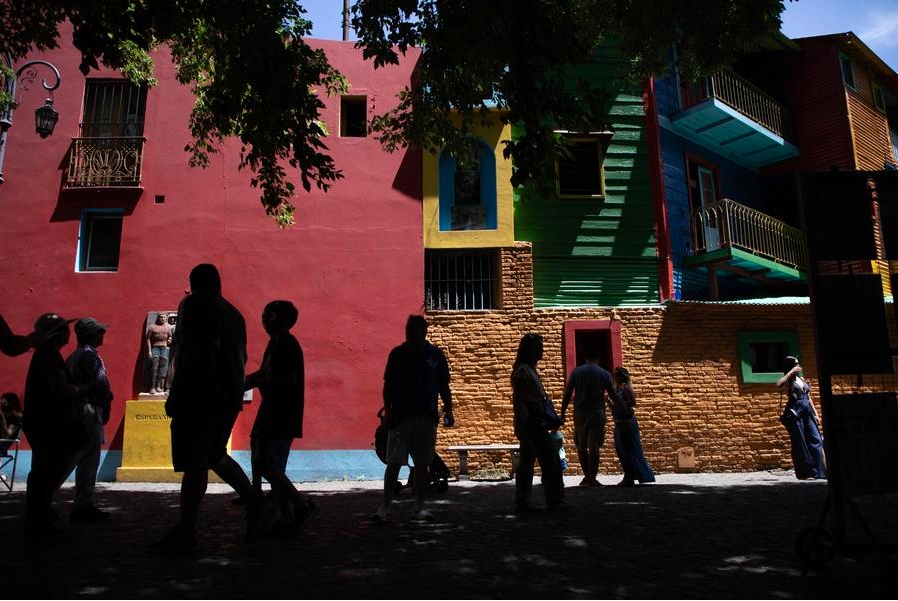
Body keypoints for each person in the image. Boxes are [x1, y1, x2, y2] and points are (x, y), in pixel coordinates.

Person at [149, 263, 263, 551]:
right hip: (228, 395)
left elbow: (192, 351)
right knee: (215, 455)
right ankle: (256, 505)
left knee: (195, 462)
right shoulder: (234, 314)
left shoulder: (194, 304)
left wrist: (177, 394)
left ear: (194, 283)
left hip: (200, 394)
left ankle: (186, 532)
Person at [21, 313, 99, 538]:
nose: (68, 334)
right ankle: (37, 515)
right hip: (47, 422)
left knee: (43, 469)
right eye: (64, 330)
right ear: (56, 334)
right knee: (48, 469)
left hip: (40, 421)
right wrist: (86, 388)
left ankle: (38, 513)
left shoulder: (46, 354)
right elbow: (61, 389)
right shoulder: (50, 356)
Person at [244, 300, 318, 535]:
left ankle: (301, 506)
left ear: (284, 319)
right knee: (271, 464)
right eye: (265, 314)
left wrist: (249, 381)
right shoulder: (277, 343)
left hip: (279, 412)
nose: (264, 318)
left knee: (266, 463)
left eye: (270, 314)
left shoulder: (285, 344)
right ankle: (286, 516)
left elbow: (283, 379)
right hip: (277, 411)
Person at [373, 315, 454, 523]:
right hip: (400, 418)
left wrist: (448, 411)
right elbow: (388, 385)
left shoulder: (435, 356)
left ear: (424, 332)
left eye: (414, 330)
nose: (409, 333)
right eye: (408, 329)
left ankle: (419, 506)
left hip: (426, 416)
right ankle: (385, 506)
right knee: (393, 463)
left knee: (422, 464)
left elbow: (444, 386)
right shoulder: (397, 354)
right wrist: (389, 412)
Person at [511, 333, 570, 514]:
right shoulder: (523, 371)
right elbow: (526, 400)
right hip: (532, 422)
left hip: (531, 421)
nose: (541, 351)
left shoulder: (528, 370)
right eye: (538, 347)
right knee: (551, 459)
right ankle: (555, 499)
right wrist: (545, 419)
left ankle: (523, 501)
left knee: (527, 463)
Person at [65, 317, 114, 523]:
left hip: (75, 410)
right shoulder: (91, 356)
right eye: (99, 332)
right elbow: (101, 384)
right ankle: (82, 504)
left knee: (76, 457)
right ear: (91, 335)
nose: (102, 335)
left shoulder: (73, 356)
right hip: (89, 409)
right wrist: (106, 403)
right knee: (88, 459)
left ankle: (79, 503)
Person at [560, 346, 616, 487]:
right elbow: (613, 394)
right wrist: (621, 407)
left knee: (581, 445)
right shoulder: (604, 374)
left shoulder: (577, 372)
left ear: (585, 357)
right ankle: (593, 477)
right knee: (594, 445)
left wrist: (562, 413)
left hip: (580, 412)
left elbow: (567, 394)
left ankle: (587, 476)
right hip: (597, 412)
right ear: (599, 357)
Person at [777, 356, 826, 480]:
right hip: (795, 412)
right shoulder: (788, 381)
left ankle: (819, 472)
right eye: (795, 364)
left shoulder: (801, 379)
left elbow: (809, 398)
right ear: (789, 366)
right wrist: (790, 374)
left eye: (798, 364)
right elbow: (778, 385)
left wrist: (816, 414)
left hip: (807, 412)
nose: (798, 366)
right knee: (800, 442)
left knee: (816, 440)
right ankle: (806, 473)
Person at [610, 367, 655, 487]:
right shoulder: (617, 389)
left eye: (616, 375)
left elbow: (632, 402)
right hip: (619, 422)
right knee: (622, 450)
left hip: (627, 423)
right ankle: (629, 475)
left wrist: (618, 403)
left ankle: (631, 476)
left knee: (628, 450)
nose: (615, 377)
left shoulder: (625, 388)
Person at [146, 312, 172, 394]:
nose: (162, 319)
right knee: (154, 368)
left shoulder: (168, 327)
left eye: (164, 317)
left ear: (166, 318)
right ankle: (152, 387)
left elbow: (170, 336)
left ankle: (157, 386)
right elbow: (148, 339)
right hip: (155, 348)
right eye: (161, 317)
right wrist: (149, 350)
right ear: (158, 318)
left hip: (164, 348)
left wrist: (169, 339)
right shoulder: (152, 327)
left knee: (162, 368)